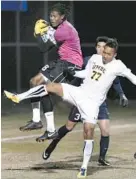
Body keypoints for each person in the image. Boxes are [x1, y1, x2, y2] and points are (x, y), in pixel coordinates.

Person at [4, 38, 136, 178]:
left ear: (114, 54)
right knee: (50, 87)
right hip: (80, 92)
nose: (105, 55)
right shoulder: (95, 58)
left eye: (109, 54)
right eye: (104, 52)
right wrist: (74, 72)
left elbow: (133, 78)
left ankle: (84, 168)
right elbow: (86, 73)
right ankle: (19, 97)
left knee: (88, 131)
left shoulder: (118, 65)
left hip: (92, 103)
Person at [41, 36, 128, 166]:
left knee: (105, 129)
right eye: (99, 47)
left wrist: (122, 95)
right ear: (96, 48)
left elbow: (115, 81)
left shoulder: (112, 64)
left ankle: (101, 158)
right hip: (83, 99)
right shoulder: (88, 61)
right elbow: (74, 74)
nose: (101, 50)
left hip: (99, 103)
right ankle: (52, 145)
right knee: (69, 127)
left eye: (103, 48)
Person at [19, 3, 83, 141]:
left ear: (62, 17)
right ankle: (37, 120)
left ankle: (51, 130)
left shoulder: (64, 30)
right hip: (61, 62)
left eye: (55, 16)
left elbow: (44, 48)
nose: (52, 18)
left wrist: (38, 34)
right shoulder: (60, 27)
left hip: (70, 65)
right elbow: (51, 30)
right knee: (34, 82)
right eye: (51, 15)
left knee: (45, 89)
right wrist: (47, 28)